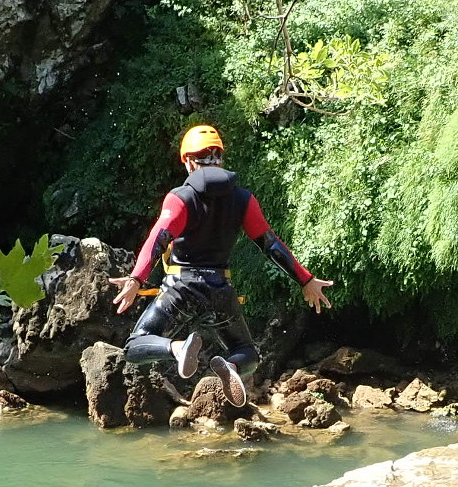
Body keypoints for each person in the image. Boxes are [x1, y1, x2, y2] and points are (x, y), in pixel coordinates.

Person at [109, 124, 332, 405]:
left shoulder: (181, 198)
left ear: (188, 160)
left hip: (180, 289)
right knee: (247, 352)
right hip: (219, 290)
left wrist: (136, 279)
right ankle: (232, 367)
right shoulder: (242, 199)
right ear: (220, 158)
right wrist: (305, 280)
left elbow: (158, 239)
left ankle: (177, 349)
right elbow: (270, 244)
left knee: (135, 345)